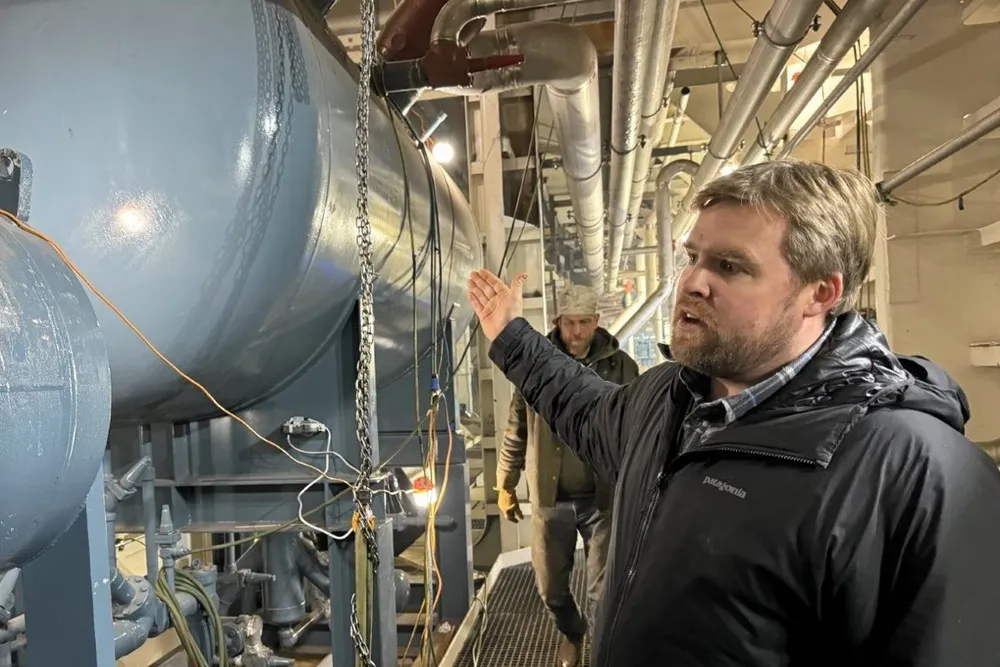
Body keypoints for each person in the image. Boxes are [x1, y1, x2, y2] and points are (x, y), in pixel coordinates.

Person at [466, 160, 1000, 667]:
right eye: (692, 258)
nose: (692, 283)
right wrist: (511, 335)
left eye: (729, 266)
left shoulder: (915, 477)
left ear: (820, 292)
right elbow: (584, 407)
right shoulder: (668, 398)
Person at [496, 284, 639, 667]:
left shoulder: (623, 368)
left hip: (602, 499)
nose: (576, 332)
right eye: (569, 323)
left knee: (603, 591)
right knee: (551, 590)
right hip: (551, 499)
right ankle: (572, 632)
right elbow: (516, 429)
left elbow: (636, 433)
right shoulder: (536, 366)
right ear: (557, 321)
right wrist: (505, 483)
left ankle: (602, 651)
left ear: (597, 321)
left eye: (584, 322)